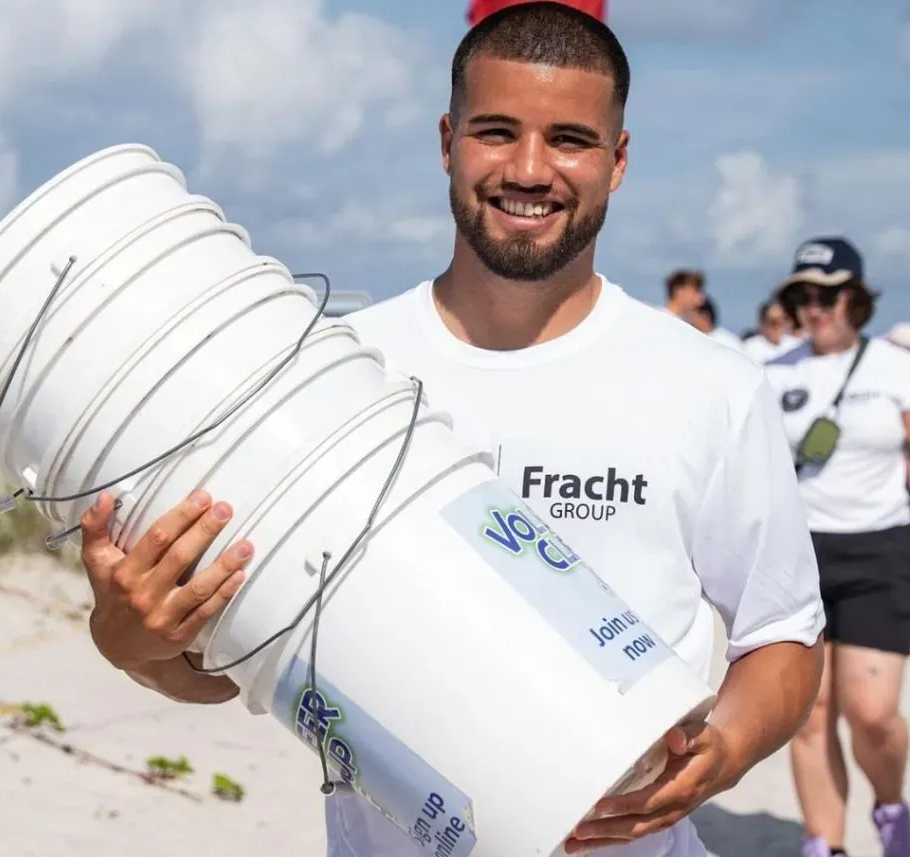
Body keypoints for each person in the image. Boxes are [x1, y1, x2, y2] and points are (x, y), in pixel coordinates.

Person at [77, 6, 825, 857]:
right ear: (447, 140)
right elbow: (233, 664)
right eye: (496, 132)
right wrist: (130, 638)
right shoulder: (333, 371)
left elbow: (783, 636)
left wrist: (724, 748)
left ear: (617, 161)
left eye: (571, 139)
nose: (530, 169)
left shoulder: (710, 386)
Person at [764, 236, 910, 857]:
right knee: (810, 711)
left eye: (827, 294)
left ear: (856, 296)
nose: (815, 307)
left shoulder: (895, 367)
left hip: (880, 549)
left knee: (871, 712)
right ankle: (824, 843)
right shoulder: (770, 372)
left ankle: (892, 808)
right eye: (803, 295)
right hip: (798, 554)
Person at [744, 298, 797, 364]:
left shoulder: (795, 345)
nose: (777, 326)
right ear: (762, 322)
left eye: (781, 321)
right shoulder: (749, 348)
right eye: (773, 322)